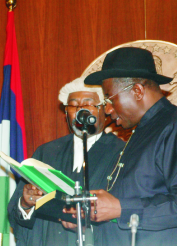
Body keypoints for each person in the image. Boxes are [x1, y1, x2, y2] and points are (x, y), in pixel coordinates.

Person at [83, 47, 177, 245]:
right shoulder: (141, 131)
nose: (107, 110)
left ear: (137, 91)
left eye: (109, 98)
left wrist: (121, 208)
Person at [7, 77, 125, 245]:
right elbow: (17, 215)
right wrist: (26, 204)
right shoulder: (46, 153)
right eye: (73, 105)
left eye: (88, 103)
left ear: (104, 109)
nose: (80, 111)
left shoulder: (121, 152)